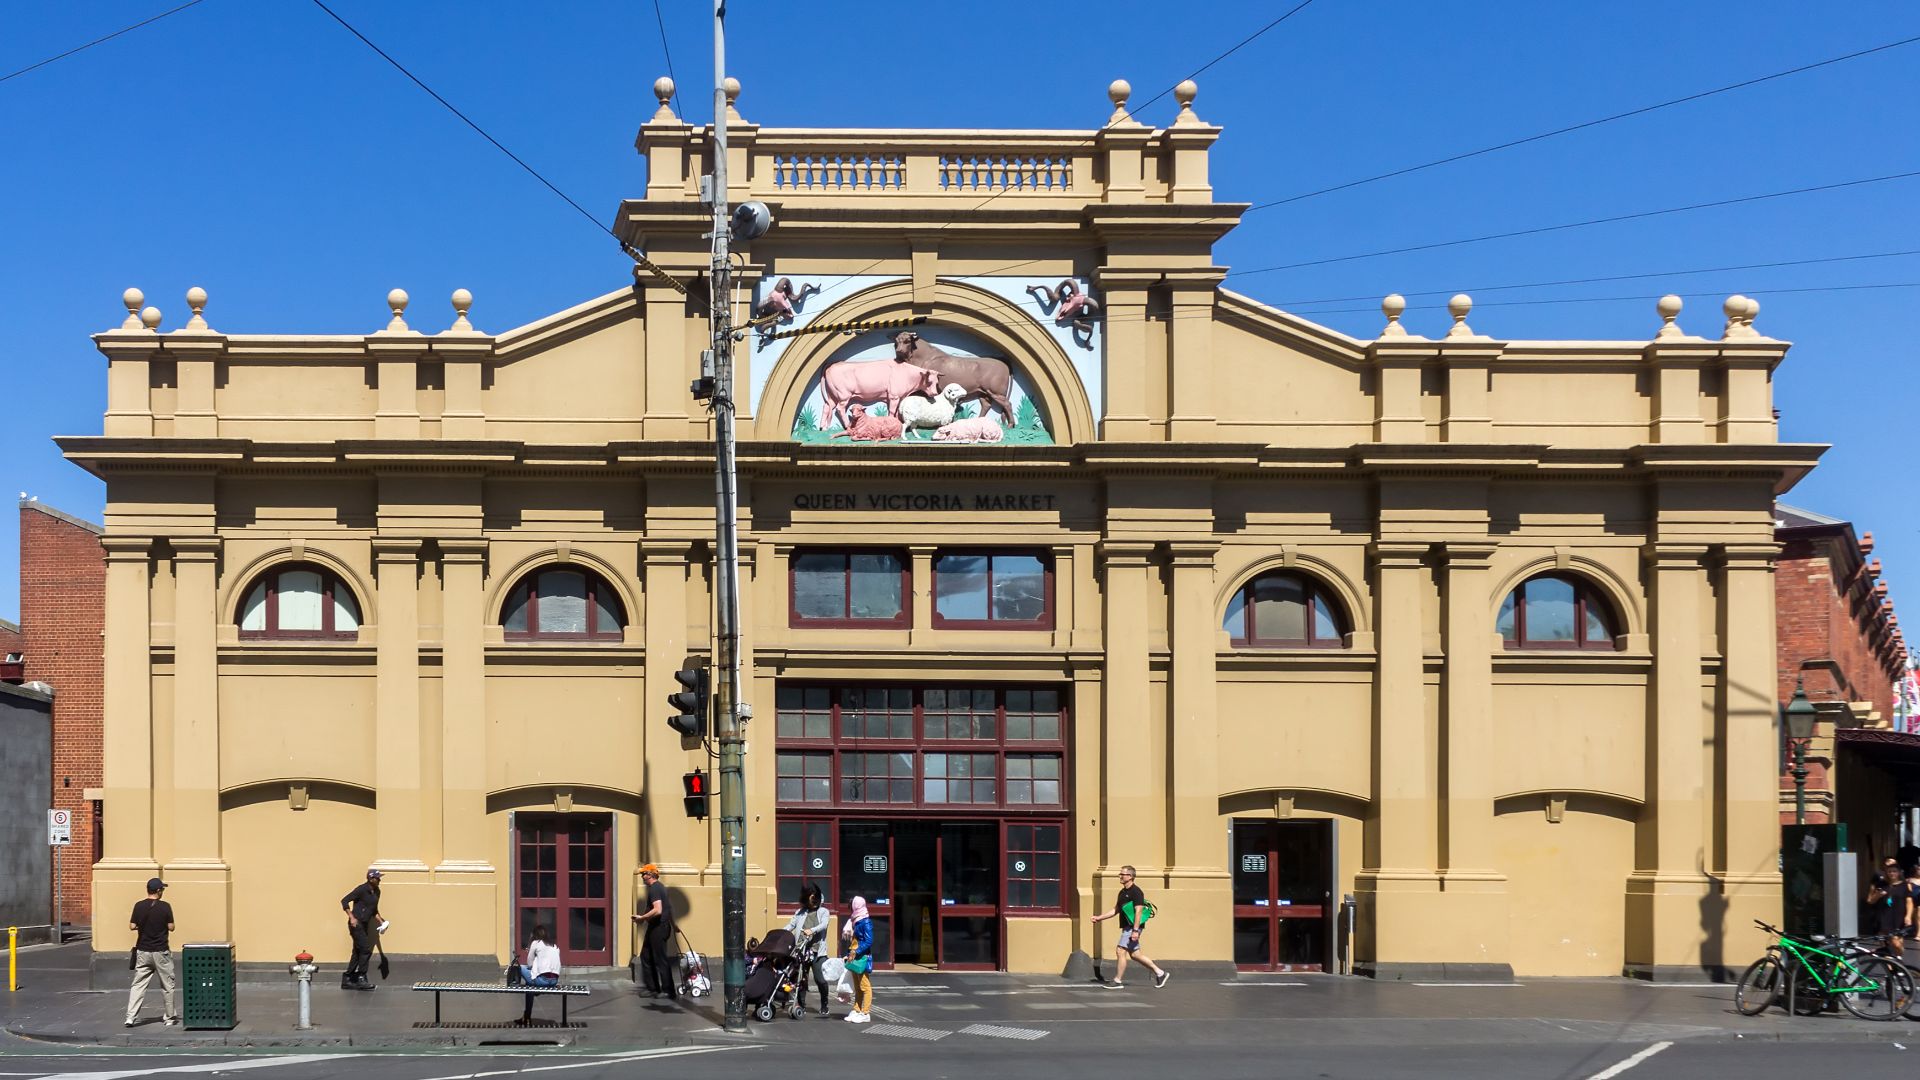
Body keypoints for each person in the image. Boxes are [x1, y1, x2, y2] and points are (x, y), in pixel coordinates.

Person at [1089, 865, 1169, 989]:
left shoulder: (1136, 892)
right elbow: (1116, 910)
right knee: (1135, 955)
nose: (1120, 876)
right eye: (1120, 874)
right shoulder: (1122, 892)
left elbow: (1138, 912)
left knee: (1120, 951)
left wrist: (1135, 930)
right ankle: (1160, 973)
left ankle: (1117, 981)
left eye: (1123, 874)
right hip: (1128, 927)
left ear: (1130, 876)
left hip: (1133, 927)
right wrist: (1099, 918)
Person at [126, 877, 178, 1027]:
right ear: (158, 891)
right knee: (167, 985)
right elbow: (171, 927)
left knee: (138, 985)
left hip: (143, 951)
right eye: (162, 889)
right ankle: (169, 1017)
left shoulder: (139, 906)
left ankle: (130, 1017)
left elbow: (132, 926)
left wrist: (142, 927)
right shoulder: (165, 907)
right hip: (161, 952)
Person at [785, 882, 833, 1017]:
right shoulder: (800, 912)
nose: (813, 902)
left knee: (820, 979)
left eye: (814, 899)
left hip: (818, 952)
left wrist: (811, 930)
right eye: (810, 899)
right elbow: (791, 925)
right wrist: (780, 933)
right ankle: (801, 1005)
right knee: (801, 979)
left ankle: (824, 1004)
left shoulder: (823, 912)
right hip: (802, 950)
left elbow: (824, 925)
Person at [631, 864, 678, 1000]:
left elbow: (658, 910)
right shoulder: (660, 887)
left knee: (660, 958)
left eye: (644, 874)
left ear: (651, 875)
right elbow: (668, 908)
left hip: (659, 928)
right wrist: (674, 925)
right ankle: (653, 988)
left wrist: (642, 918)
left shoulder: (655, 889)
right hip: (657, 927)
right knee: (646, 956)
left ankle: (668, 990)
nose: (642, 877)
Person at [340, 868, 383, 990]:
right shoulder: (361, 889)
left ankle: (348, 978)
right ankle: (361, 977)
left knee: (357, 951)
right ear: (371, 879)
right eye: (377, 878)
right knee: (365, 950)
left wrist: (381, 921)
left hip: (364, 924)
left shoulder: (377, 891)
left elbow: (373, 909)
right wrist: (351, 917)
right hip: (356, 923)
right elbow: (344, 901)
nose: (379, 880)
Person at [517, 924, 562, 1025]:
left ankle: (527, 1015)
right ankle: (526, 1016)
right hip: (554, 981)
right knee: (529, 987)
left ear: (535, 935)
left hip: (542, 980)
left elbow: (529, 964)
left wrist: (530, 949)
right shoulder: (555, 946)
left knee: (519, 967)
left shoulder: (536, 943)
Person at [1867, 857, 1911, 954]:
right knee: (1886, 946)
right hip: (1883, 917)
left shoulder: (1904, 885)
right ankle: (1888, 961)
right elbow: (1870, 901)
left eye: (1894, 871)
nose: (1892, 873)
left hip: (1898, 918)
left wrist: (1908, 916)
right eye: (1889, 871)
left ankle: (1897, 960)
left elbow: (1909, 901)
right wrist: (1878, 895)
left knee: (1897, 944)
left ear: (1898, 872)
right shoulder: (1881, 884)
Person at [841, 894, 874, 1024]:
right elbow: (854, 941)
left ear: (856, 907)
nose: (851, 910)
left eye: (852, 907)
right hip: (854, 956)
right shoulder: (855, 921)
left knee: (865, 986)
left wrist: (856, 951)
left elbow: (869, 941)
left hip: (862, 957)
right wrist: (849, 953)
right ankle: (856, 1010)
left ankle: (865, 1013)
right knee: (857, 986)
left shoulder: (865, 922)